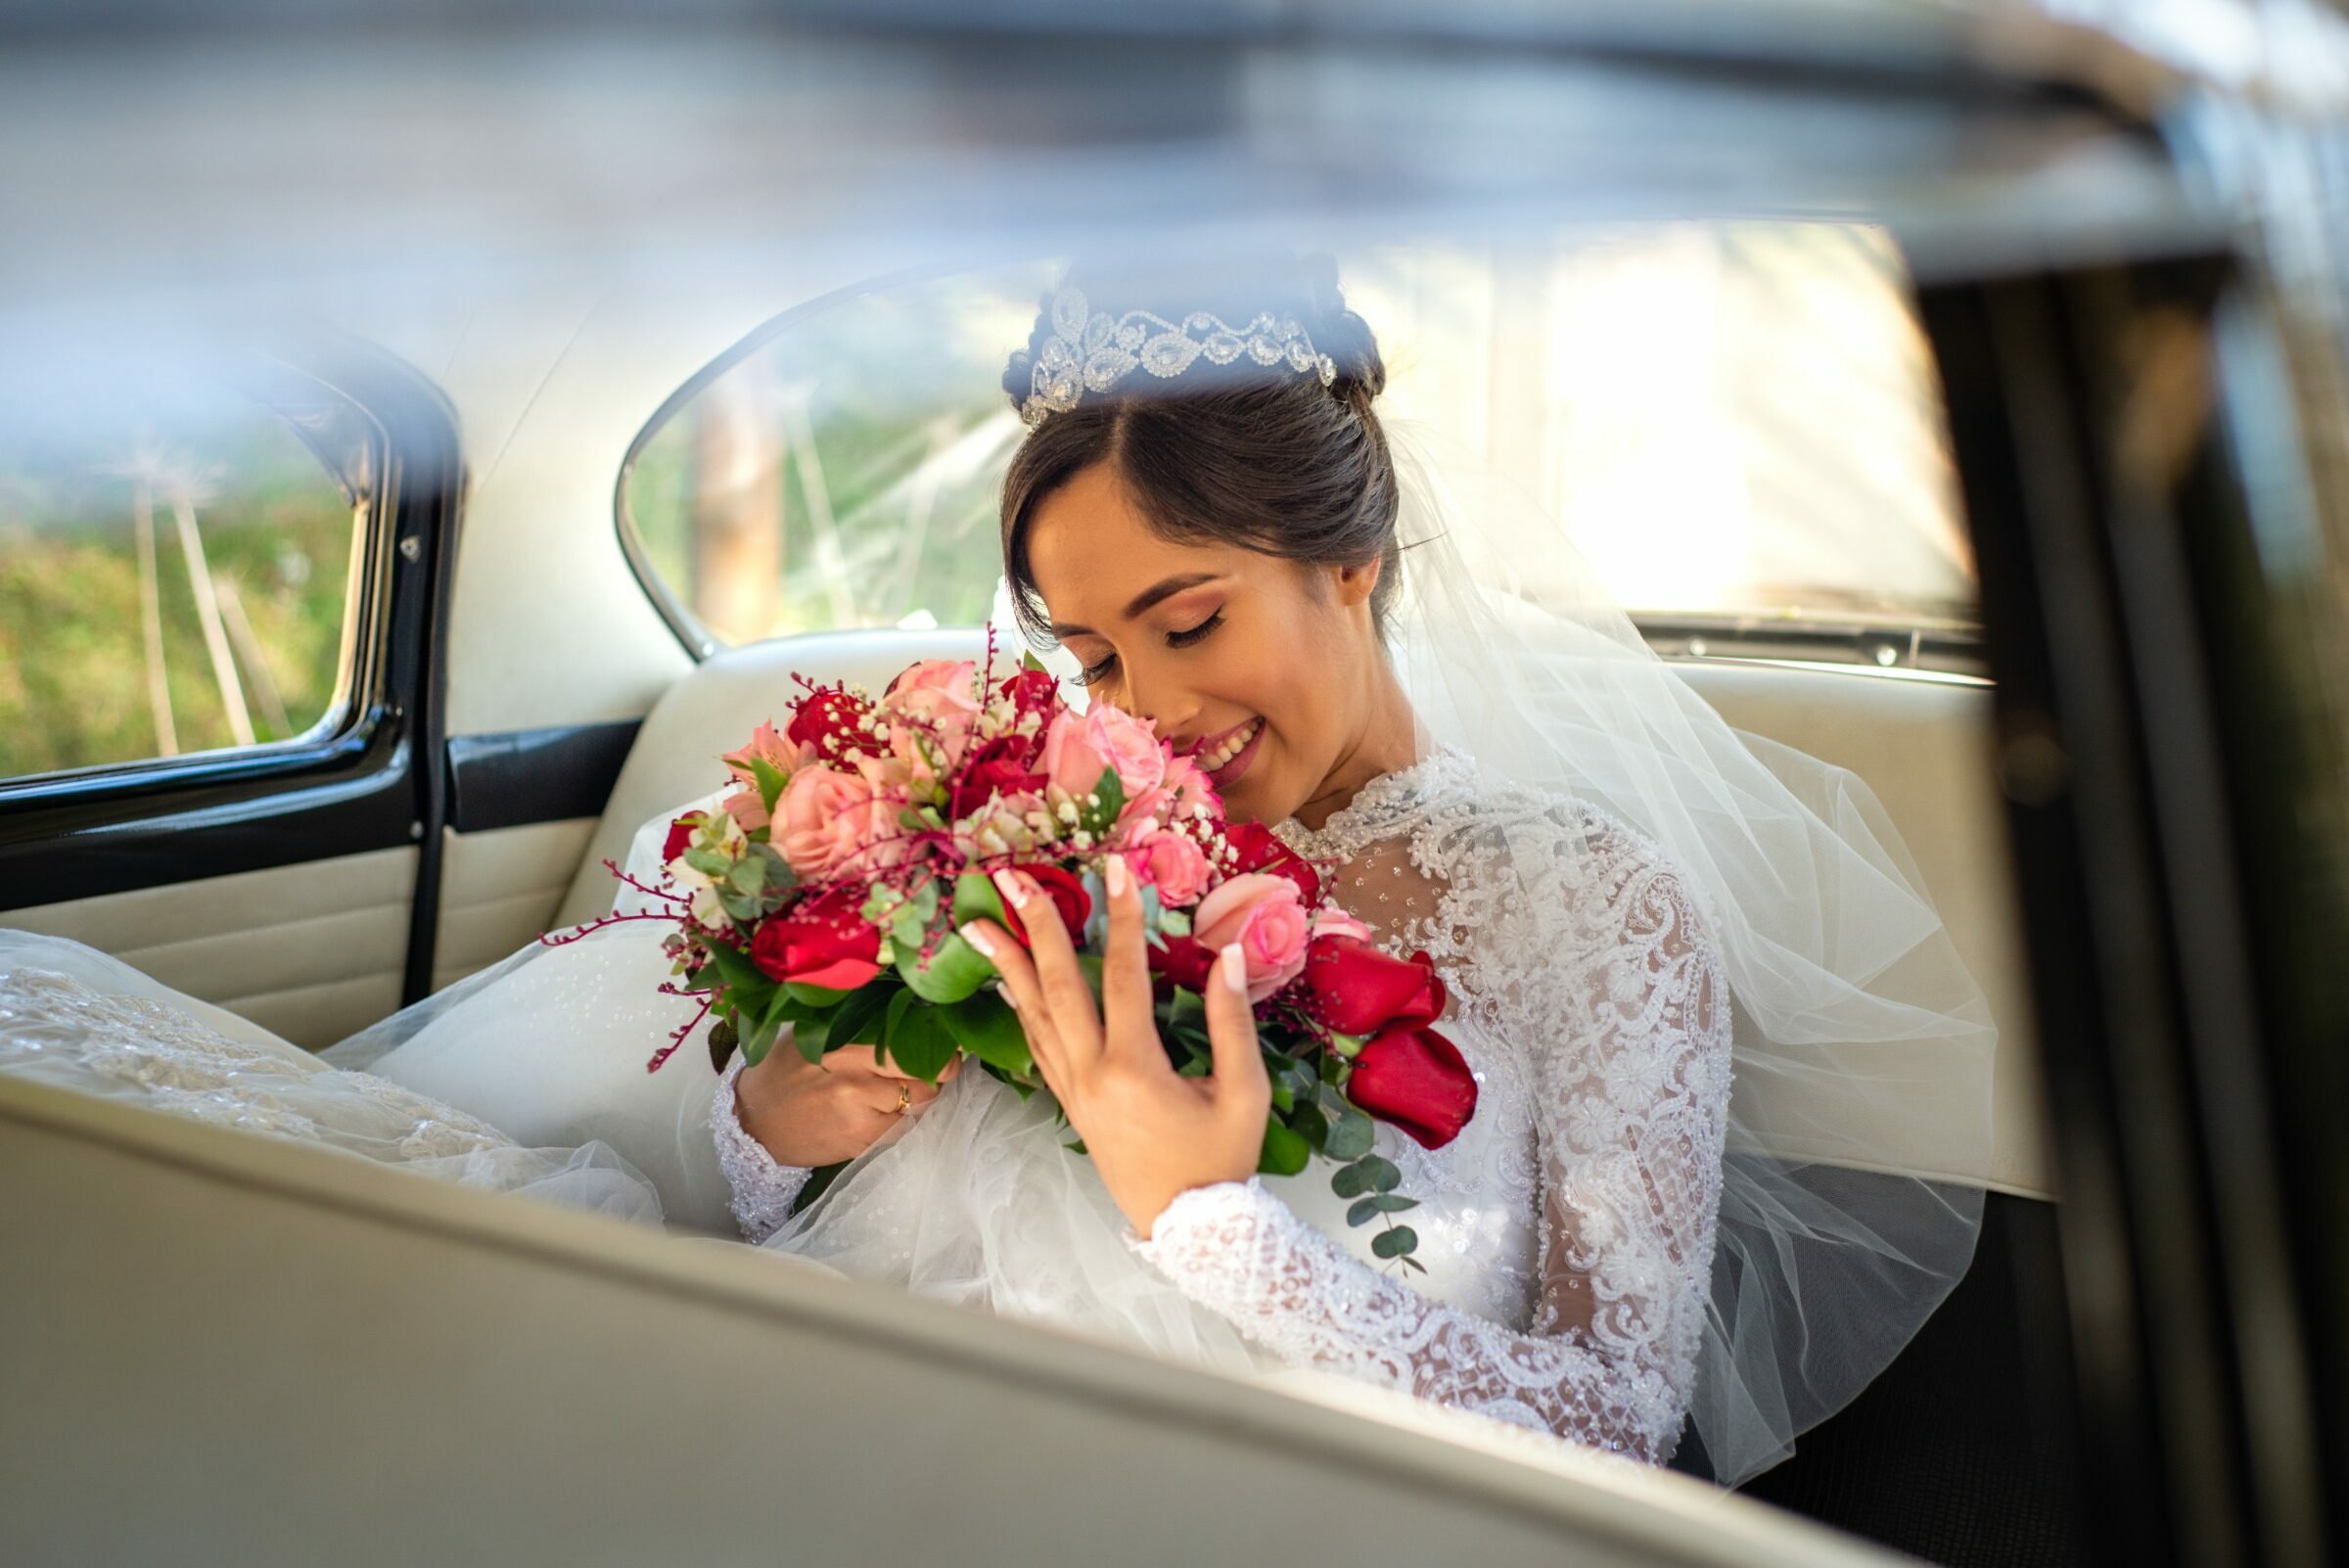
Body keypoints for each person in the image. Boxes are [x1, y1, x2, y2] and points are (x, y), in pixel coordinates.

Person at [0, 254, 1994, 1485]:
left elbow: (1613, 1425)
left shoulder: (1589, 906)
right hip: (877, 1427)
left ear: (1354, 562)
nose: (1152, 705)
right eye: (1094, 653)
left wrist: (1204, 1219)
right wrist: (788, 1122)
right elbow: (873, 1247)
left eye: (1191, 620)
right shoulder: (1045, 833)